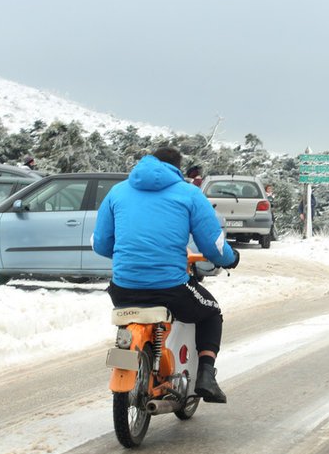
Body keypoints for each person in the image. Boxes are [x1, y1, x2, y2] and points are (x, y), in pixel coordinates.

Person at [92, 147, 238, 403]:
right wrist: (231, 258)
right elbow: (212, 246)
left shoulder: (118, 191)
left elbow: (101, 244)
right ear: (177, 168)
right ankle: (206, 375)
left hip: (123, 288)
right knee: (211, 312)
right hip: (170, 288)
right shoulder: (189, 193)